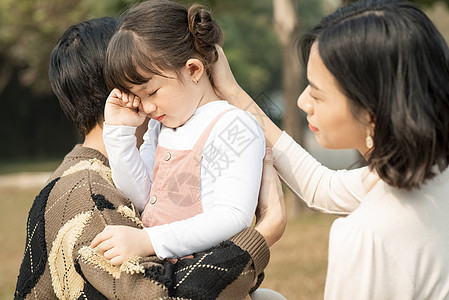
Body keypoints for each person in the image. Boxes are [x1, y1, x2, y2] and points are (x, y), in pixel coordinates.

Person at [14, 16, 286, 300]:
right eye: (139, 91)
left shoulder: (83, 175)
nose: (148, 106)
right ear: (120, 92)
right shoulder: (93, 196)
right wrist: (265, 232)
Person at [212, 0, 449, 298]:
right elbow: (322, 187)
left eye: (317, 93)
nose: (302, 102)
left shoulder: (367, 235)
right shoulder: (430, 172)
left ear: (370, 111)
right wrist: (233, 92)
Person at [91, 0, 266, 266]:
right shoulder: (160, 126)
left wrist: (149, 241)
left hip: (208, 276)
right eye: (136, 96)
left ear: (193, 70)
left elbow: (232, 215)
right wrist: (118, 133)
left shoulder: (232, 125)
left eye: (151, 92)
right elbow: (142, 198)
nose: (147, 107)